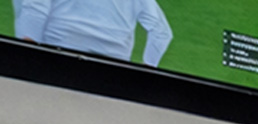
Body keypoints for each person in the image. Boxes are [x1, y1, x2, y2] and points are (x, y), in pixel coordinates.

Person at [16, 0, 172, 67]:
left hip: (57, 57)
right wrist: (147, 71)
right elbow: (161, 33)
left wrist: (26, 58)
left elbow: (35, 9)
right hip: (114, 70)